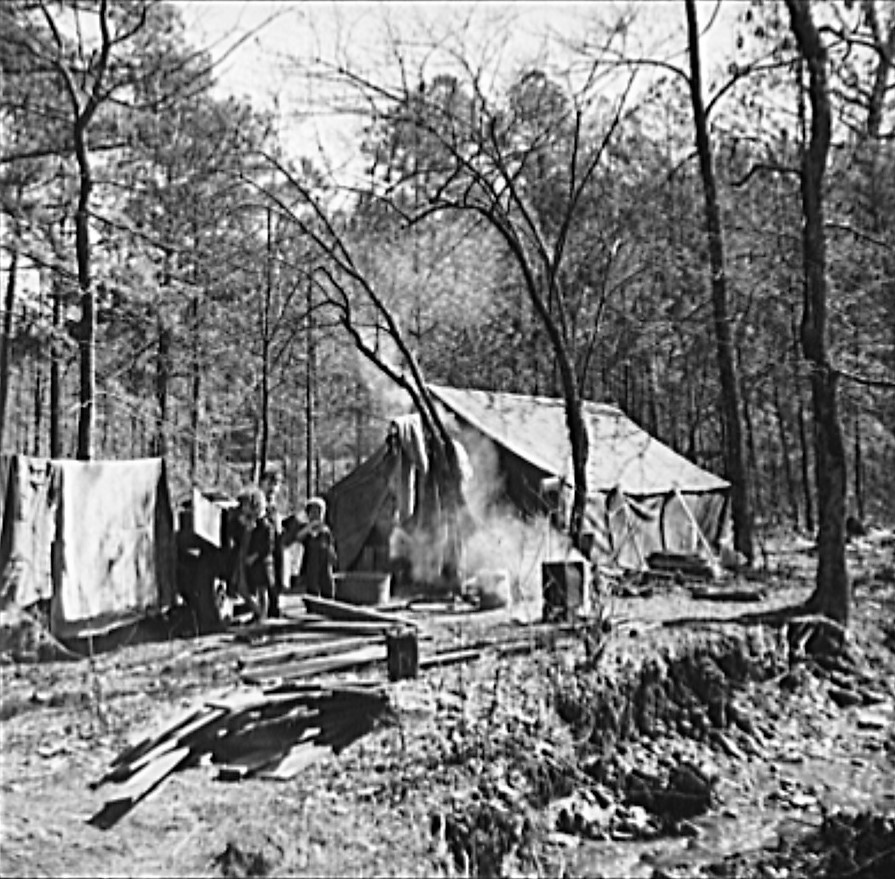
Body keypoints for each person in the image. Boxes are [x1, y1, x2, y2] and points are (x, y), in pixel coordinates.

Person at [229, 486, 275, 622]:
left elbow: (267, 546)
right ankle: (258, 613)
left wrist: (254, 557)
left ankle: (262, 615)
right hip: (247, 562)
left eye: (246, 505)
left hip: (262, 563)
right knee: (245, 590)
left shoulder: (265, 525)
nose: (243, 508)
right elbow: (234, 535)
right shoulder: (246, 523)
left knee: (262, 591)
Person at [296, 496, 337, 599]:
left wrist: (333, 556)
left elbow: (330, 546)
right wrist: (309, 527)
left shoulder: (325, 530)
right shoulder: (306, 530)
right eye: (312, 512)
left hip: (324, 563)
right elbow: (298, 537)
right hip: (311, 564)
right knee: (312, 586)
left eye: (318, 512)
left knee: (327, 584)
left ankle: (328, 601)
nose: (315, 515)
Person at [259, 470, 285, 617]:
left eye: (276, 484)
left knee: (277, 573)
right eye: (270, 483)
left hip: (276, 539)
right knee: (265, 576)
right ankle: (263, 609)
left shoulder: (274, 501)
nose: (273, 488)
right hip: (264, 541)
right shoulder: (259, 499)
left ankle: (274, 606)